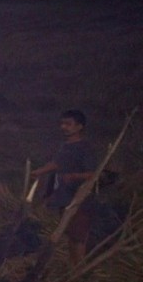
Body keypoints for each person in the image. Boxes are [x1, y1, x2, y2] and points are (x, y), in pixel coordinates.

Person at [30, 109, 97, 265]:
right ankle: (73, 268)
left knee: (79, 236)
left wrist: (73, 176)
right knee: (70, 234)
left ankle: (79, 269)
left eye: (68, 124)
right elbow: (57, 164)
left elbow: (92, 173)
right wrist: (39, 172)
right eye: (62, 124)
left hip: (80, 199)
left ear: (79, 126)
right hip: (65, 198)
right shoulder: (65, 146)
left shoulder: (84, 148)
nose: (64, 127)